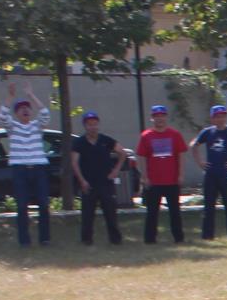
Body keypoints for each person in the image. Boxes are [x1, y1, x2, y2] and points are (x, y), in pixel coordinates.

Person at [0, 80, 52, 247]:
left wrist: (31, 95)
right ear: (16, 113)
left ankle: (44, 239)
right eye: (21, 109)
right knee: (22, 206)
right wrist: (10, 96)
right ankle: (24, 241)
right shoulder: (12, 127)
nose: (25, 110)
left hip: (39, 168)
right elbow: (2, 116)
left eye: (27, 108)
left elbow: (45, 113)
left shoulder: (37, 126)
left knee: (43, 204)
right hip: (20, 169)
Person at [134, 104, 189, 244]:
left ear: (166, 117)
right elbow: (141, 157)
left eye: (162, 116)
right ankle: (150, 239)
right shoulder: (146, 136)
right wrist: (144, 177)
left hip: (172, 180)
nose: (159, 119)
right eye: (156, 116)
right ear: (152, 118)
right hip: (153, 181)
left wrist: (181, 174)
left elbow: (181, 155)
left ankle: (179, 238)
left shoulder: (175, 135)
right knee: (152, 212)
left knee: (175, 211)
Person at [191, 104, 227, 241]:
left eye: (223, 116)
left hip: (226, 174)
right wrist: (200, 162)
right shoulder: (207, 132)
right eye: (217, 117)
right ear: (212, 119)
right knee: (209, 206)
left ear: (226, 117)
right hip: (211, 174)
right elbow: (193, 146)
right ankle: (207, 236)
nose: (220, 119)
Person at [69, 111, 125, 246]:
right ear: (85, 126)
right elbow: (74, 163)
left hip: (106, 183)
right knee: (87, 214)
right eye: (89, 124)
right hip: (88, 184)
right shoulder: (79, 142)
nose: (93, 127)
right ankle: (86, 240)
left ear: (98, 125)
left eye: (95, 124)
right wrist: (81, 180)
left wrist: (116, 170)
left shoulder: (106, 140)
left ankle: (115, 240)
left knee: (111, 213)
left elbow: (122, 153)